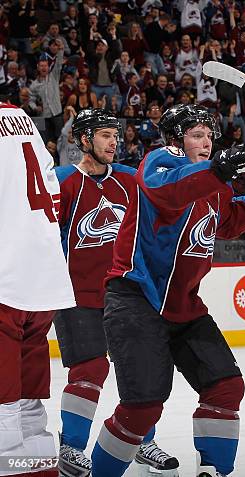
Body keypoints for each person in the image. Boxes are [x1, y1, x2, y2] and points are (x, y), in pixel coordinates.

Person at [89, 104, 245, 477]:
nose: (205, 142)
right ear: (176, 140)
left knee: (226, 387)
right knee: (143, 408)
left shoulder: (213, 183)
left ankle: (213, 471)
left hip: (183, 307)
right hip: (137, 299)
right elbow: (168, 191)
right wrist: (221, 167)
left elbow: (225, 221)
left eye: (209, 136)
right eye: (196, 135)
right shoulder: (159, 163)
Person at [53, 109, 178, 477]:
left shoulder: (128, 178)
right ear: (84, 140)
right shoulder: (62, 181)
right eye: (105, 135)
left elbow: (173, 184)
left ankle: (140, 441)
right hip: (77, 295)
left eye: (115, 136)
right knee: (89, 369)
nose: (114, 142)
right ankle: (72, 447)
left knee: (137, 372)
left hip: (125, 294)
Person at [0, 102, 75, 476]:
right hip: (43, 269)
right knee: (29, 393)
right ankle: (39, 464)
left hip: (6, 272)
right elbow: (52, 191)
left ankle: (10, 463)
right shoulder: (21, 118)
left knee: (3, 404)